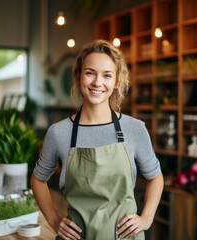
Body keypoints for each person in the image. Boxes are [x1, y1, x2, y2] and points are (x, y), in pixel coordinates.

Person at [30, 39, 164, 240]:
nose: (97, 83)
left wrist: (146, 218)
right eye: (90, 73)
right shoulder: (59, 133)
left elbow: (156, 177)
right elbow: (37, 180)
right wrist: (53, 219)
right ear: (78, 76)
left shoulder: (134, 129)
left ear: (117, 81)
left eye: (107, 75)